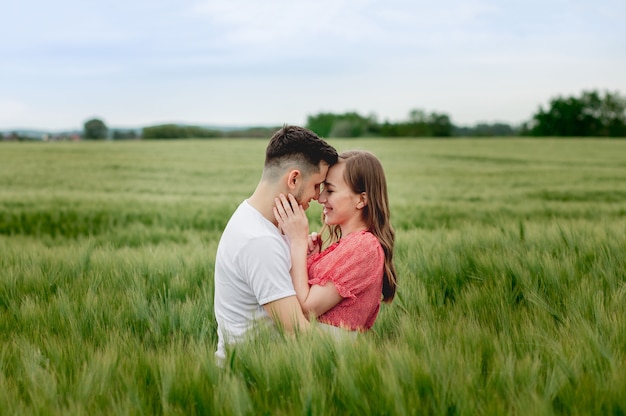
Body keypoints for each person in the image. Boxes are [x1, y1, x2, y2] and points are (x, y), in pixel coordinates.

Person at [213, 125, 338, 363]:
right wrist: (354, 358)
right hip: (252, 377)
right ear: (293, 179)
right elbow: (296, 331)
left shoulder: (254, 218)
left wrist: (298, 250)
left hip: (265, 369)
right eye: (316, 185)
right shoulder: (259, 242)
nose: (319, 196)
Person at [273, 150, 397, 333]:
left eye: (330, 190)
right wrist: (311, 259)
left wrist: (298, 243)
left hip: (325, 354)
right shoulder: (349, 244)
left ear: (362, 199)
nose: (321, 198)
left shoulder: (364, 248)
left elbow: (307, 310)